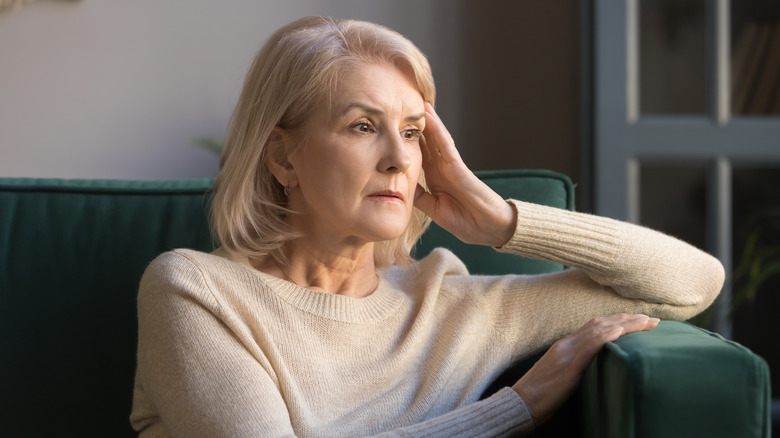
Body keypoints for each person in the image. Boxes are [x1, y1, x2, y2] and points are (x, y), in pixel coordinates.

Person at [129, 16, 724, 437]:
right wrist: (514, 409)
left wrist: (502, 222)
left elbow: (695, 282)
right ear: (283, 157)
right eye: (363, 126)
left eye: (412, 132)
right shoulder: (195, 291)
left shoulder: (447, 303)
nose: (398, 157)